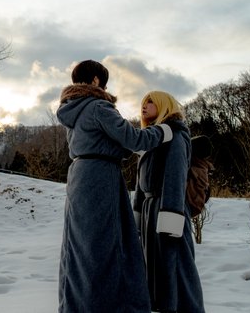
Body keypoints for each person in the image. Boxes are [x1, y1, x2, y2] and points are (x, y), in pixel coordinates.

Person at [56, 60, 175, 313]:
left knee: (81, 247)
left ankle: (78, 306)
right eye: (104, 82)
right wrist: (162, 132)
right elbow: (133, 139)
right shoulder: (98, 106)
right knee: (108, 246)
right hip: (101, 177)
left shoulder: (73, 110)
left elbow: (104, 140)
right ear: (96, 80)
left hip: (78, 176)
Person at [132, 91, 205, 313]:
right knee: (156, 272)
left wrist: (170, 218)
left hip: (168, 210)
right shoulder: (151, 137)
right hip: (150, 212)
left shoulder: (176, 134)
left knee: (177, 267)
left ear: (164, 105)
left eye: (151, 101)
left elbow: (176, 175)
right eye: (143, 102)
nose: (144, 105)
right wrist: (138, 215)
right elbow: (140, 184)